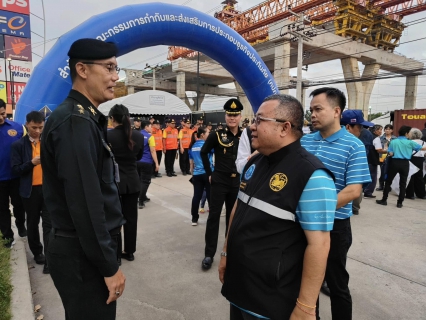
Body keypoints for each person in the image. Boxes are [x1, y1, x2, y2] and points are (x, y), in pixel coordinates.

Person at [219, 94, 337, 320]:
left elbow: (320, 244)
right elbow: (238, 207)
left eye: (259, 120)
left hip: (273, 300)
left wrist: (306, 306)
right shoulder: (255, 161)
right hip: (241, 287)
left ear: (284, 128)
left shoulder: (312, 175)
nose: (251, 127)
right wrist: (225, 252)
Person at [41, 38, 126, 319]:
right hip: (82, 255)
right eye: (110, 67)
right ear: (83, 69)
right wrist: (108, 266)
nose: (116, 76)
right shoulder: (75, 122)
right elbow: (86, 204)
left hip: (83, 250)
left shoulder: (85, 118)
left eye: (117, 67)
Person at [301, 87, 371, 320]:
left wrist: (315, 208)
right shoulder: (305, 141)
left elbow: (353, 191)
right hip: (303, 225)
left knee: (337, 284)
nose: (312, 114)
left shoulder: (354, 145)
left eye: (318, 109)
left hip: (335, 227)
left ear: (336, 111)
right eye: (311, 110)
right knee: (309, 282)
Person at [200, 98, 243, 270]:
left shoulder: (245, 135)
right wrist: (210, 173)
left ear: (240, 117)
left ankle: (229, 251)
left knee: (233, 220)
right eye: (229, 115)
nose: (232, 118)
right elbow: (204, 153)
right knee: (214, 217)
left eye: (235, 115)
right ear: (225, 116)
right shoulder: (217, 135)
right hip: (219, 181)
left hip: (236, 182)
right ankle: (209, 254)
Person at [10, 111, 51, 273]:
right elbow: (15, 170)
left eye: (41, 127)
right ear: (27, 124)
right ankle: (38, 252)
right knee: (33, 223)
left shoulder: (48, 143)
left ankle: (50, 257)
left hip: (48, 189)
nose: (38, 131)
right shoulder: (18, 146)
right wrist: (31, 163)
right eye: (34, 127)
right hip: (30, 191)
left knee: (50, 224)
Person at [107, 104, 144, 263]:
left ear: (112, 118)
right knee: (131, 218)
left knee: (115, 218)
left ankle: (116, 254)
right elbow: (139, 157)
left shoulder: (108, 136)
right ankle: (129, 251)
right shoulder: (138, 136)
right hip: (133, 181)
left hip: (115, 182)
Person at [376, 125, 426, 208]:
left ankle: (384, 200)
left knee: (388, 182)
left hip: (394, 162)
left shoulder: (394, 141)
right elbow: (422, 149)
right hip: (405, 164)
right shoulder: (410, 142)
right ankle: (400, 203)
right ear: (406, 133)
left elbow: (390, 153)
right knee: (403, 183)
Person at [0, 99, 27, 249]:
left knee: (19, 204)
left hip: (16, 176)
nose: (1, 118)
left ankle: (21, 226)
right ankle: (7, 235)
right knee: (2, 208)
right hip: (0, 179)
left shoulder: (17, 128)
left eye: (3, 114)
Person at [189, 126, 213, 226]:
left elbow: (191, 162)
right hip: (207, 174)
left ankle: (194, 218)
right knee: (210, 196)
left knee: (196, 196)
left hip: (197, 174)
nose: (209, 134)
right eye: (208, 132)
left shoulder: (192, 146)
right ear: (202, 134)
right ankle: (212, 217)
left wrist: (192, 172)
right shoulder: (207, 145)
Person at [137, 120, 160, 209]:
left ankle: (142, 196)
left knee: (139, 180)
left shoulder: (136, 135)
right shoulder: (150, 137)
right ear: (146, 127)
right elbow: (153, 151)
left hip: (137, 161)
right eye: (150, 126)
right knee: (145, 181)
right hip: (146, 162)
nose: (151, 128)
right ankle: (141, 200)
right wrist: (157, 164)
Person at [406, 128, 426, 200]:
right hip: (420, 160)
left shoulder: (409, 142)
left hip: (411, 159)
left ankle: (410, 194)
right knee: (419, 177)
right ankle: (421, 194)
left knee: (410, 176)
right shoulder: (424, 143)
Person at [377, 124, 397, 191]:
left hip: (391, 156)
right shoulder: (380, 138)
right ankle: (381, 185)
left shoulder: (395, 139)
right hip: (382, 156)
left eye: (389, 129)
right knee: (382, 171)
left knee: (390, 172)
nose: (387, 130)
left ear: (392, 130)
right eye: (386, 129)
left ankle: (388, 186)